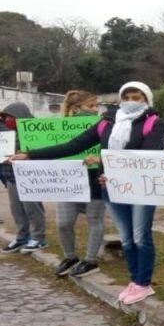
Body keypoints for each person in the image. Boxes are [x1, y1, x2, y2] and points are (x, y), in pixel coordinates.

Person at [12, 81, 164, 304]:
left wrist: (104, 159)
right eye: (127, 97)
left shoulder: (155, 123)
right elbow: (72, 146)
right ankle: (134, 281)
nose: (132, 102)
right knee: (126, 238)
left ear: (147, 99)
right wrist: (30, 155)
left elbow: (148, 154)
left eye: (138, 98)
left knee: (140, 237)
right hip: (112, 188)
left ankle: (144, 283)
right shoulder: (106, 123)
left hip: (142, 188)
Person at [51, 90, 107, 278]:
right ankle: (70, 257)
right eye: (91, 106)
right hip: (68, 179)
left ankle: (90, 260)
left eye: (97, 106)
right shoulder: (56, 127)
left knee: (95, 219)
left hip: (94, 179)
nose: (96, 110)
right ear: (76, 109)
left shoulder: (104, 126)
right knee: (63, 223)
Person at [0, 102, 47, 253]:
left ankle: (39, 238)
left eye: (9, 117)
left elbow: (41, 152)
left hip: (29, 177)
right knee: (17, 209)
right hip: (11, 176)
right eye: (5, 118)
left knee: (33, 208)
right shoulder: (7, 133)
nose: (7, 120)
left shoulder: (34, 131)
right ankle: (22, 237)